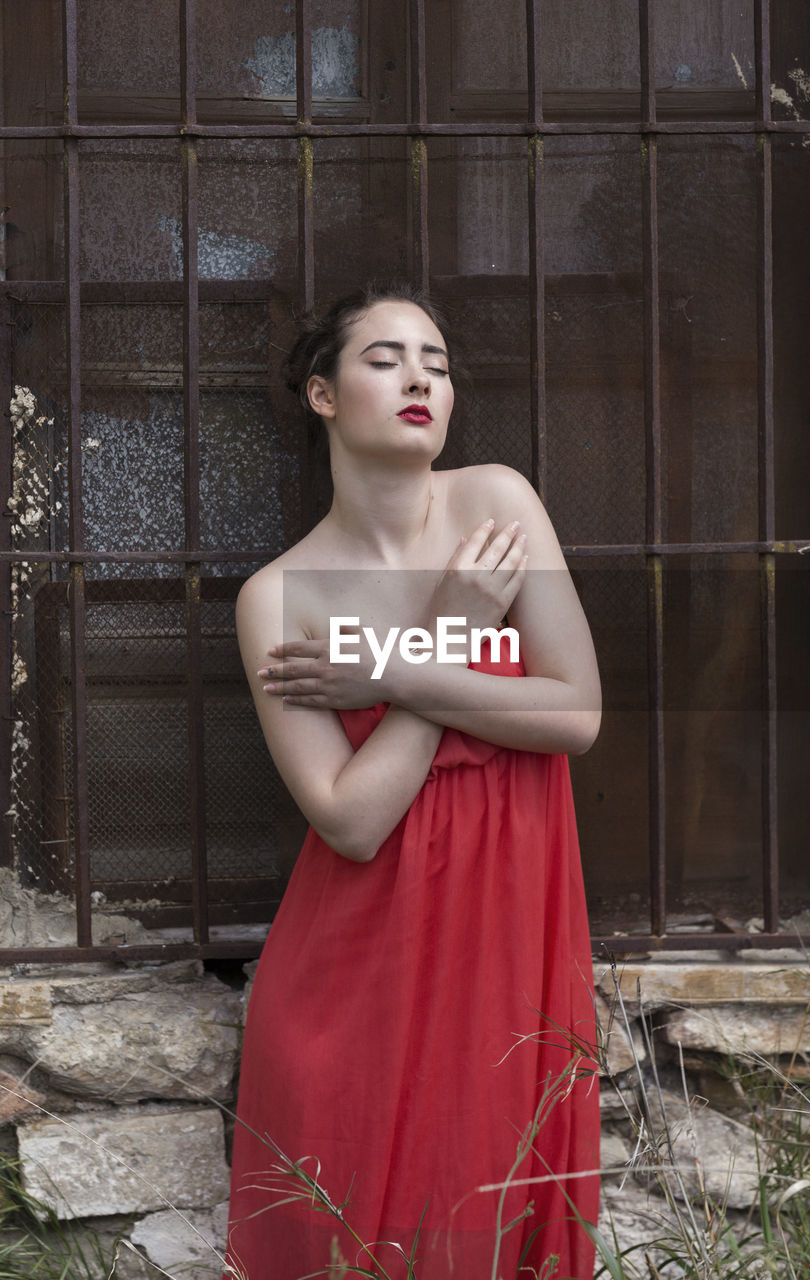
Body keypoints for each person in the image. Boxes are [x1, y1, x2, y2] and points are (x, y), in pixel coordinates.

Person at [226, 283, 601, 1280]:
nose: (419, 379)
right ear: (321, 394)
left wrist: (391, 670)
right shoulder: (275, 596)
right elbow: (350, 818)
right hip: (350, 977)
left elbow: (573, 714)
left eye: (434, 363)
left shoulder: (496, 503)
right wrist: (450, 631)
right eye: (386, 358)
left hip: (503, 949)